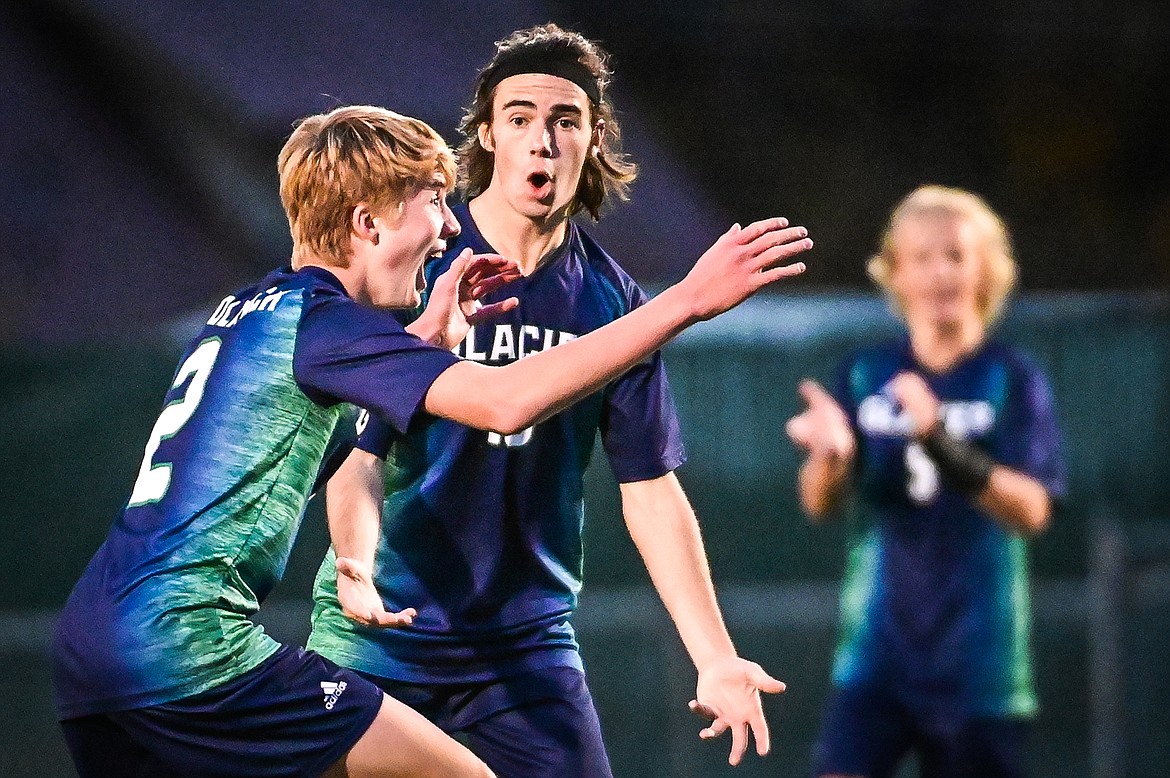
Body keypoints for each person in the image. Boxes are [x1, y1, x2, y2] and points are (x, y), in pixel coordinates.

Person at [51, 102, 811, 778]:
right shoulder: (328, 324)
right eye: (434, 203)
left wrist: (421, 342)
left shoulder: (252, 308)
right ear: (368, 223)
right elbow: (509, 403)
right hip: (190, 652)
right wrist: (684, 301)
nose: (450, 226)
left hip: (93, 649)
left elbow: (282, 442)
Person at [307, 24, 790, 777]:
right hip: (383, 634)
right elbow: (352, 452)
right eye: (521, 118)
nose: (544, 140)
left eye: (567, 121)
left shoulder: (612, 301)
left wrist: (716, 656)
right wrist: (356, 566)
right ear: (489, 138)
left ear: (594, 141)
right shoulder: (414, 264)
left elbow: (651, 490)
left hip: (522, 649)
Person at [785, 185, 1066, 778]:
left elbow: (1034, 510)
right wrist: (831, 458)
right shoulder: (867, 374)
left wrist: (939, 439)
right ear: (895, 273)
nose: (941, 272)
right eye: (923, 257)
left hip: (980, 670)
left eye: (956, 255)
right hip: (876, 661)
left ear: (985, 270)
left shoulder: (1010, 378)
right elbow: (818, 503)